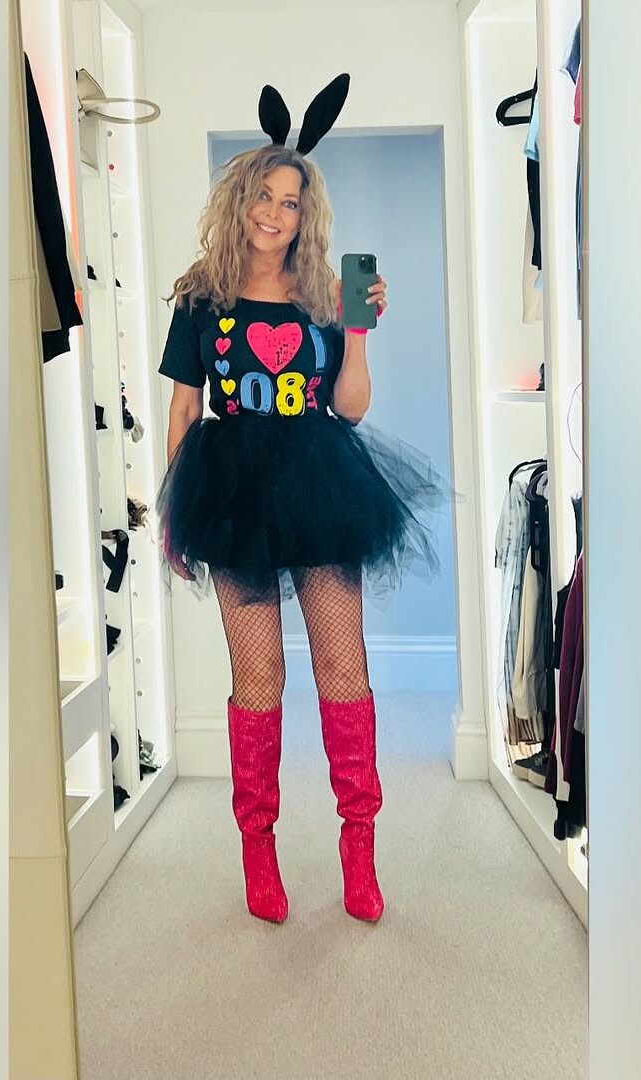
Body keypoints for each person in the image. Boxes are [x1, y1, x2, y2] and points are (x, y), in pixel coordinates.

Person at [156, 74, 446, 924]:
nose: (275, 213)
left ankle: (360, 851)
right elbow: (183, 411)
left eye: (292, 202)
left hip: (320, 485)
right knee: (259, 675)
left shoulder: (325, 296)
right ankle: (259, 850)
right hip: (231, 494)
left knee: (342, 668)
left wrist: (356, 333)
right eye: (265, 195)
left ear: (305, 216)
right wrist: (175, 516)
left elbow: (349, 407)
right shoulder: (200, 299)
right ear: (240, 198)